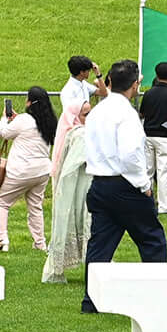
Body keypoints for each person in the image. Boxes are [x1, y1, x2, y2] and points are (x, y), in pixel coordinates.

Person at [78, 59, 166, 312]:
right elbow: (130, 155)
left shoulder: (96, 112)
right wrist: (144, 184)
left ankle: (91, 299)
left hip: (100, 183)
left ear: (110, 82)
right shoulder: (126, 114)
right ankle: (159, 295)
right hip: (126, 185)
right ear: (136, 84)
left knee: (100, 245)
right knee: (152, 240)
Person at [42, 55, 100, 284]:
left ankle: (93, 263)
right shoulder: (78, 134)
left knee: (90, 224)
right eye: (86, 114)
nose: (90, 117)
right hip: (75, 188)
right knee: (76, 223)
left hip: (84, 186)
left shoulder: (81, 132)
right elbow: (75, 164)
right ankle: (61, 267)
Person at [0, 86, 55, 252]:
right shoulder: (48, 122)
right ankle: (40, 243)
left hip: (21, 171)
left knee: (2, 202)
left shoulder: (25, 120)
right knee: (35, 207)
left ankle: (2, 239)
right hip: (42, 171)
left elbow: (4, 133)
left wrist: (4, 118)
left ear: (30, 102)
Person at [138, 60, 167, 213]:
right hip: (165, 137)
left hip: (148, 136)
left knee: (147, 170)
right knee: (165, 171)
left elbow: (142, 114)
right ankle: (165, 206)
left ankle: (145, 202)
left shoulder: (149, 93)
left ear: (156, 74)